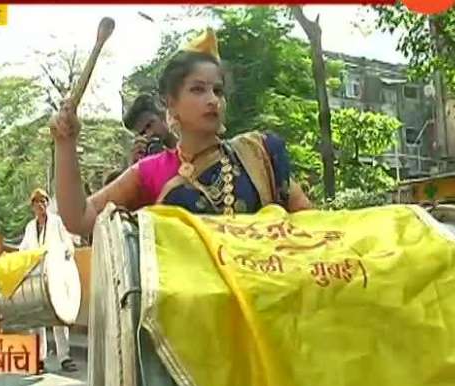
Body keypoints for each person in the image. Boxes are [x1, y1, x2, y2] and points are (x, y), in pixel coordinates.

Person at [52, 28, 312, 236]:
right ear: (171, 103)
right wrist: (65, 144)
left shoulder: (258, 154)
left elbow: (310, 229)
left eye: (218, 91)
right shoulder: (151, 172)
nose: (213, 100)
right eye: (198, 89)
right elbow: (80, 219)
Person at [19, 188, 78, 373]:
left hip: (55, 274)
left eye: (44, 202)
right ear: (33, 206)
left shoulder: (56, 222)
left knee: (58, 316)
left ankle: (65, 357)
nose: (41, 205)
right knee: (37, 319)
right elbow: (23, 250)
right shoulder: (30, 227)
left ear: (47, 204)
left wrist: (68, 250)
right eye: (37, 202)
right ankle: (39, 359)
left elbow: (67, 241)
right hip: (37, 276)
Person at [123, 94, 177, 163]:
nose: (149, 134)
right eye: (142, 133)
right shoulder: (149, 158)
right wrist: (136, 164)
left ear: (162, 115)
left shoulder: (190, 137)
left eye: (149, 125)